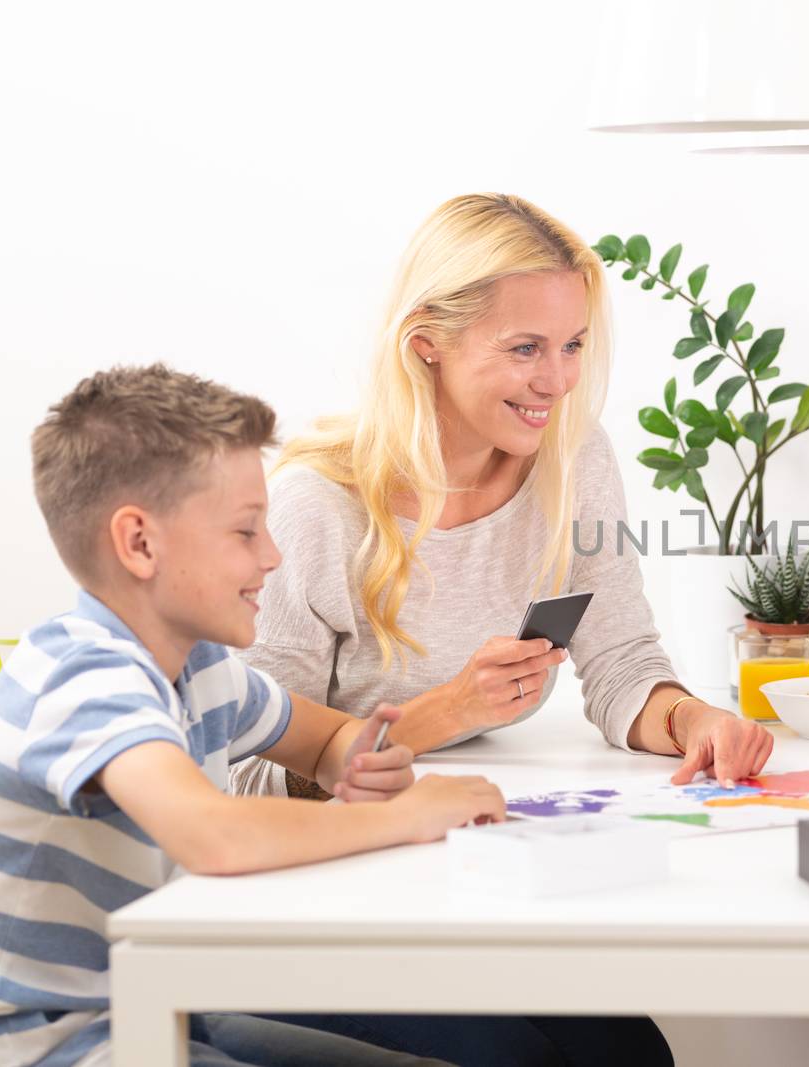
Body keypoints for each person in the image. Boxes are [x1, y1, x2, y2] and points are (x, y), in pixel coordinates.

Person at [0, 364, 503, 1067]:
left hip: (172, 1008)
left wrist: (357, 755)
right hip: (69, 1045)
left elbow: (324, 737)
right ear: (139, 543)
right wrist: (407, 814)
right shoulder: (83, 673)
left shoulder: (200, 665)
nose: (272, 556)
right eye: (245, 531)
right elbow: (214, 835)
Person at [230, 192, 772, 803]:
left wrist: (695, 722)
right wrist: (445, 714)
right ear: (426, 339)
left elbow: (622, 660)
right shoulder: (316, 509)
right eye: (524, 348)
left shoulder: (571, 457)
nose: (559, 381)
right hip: (340, 852)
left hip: (485, 820)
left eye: (572, 345)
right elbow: (250, 775)